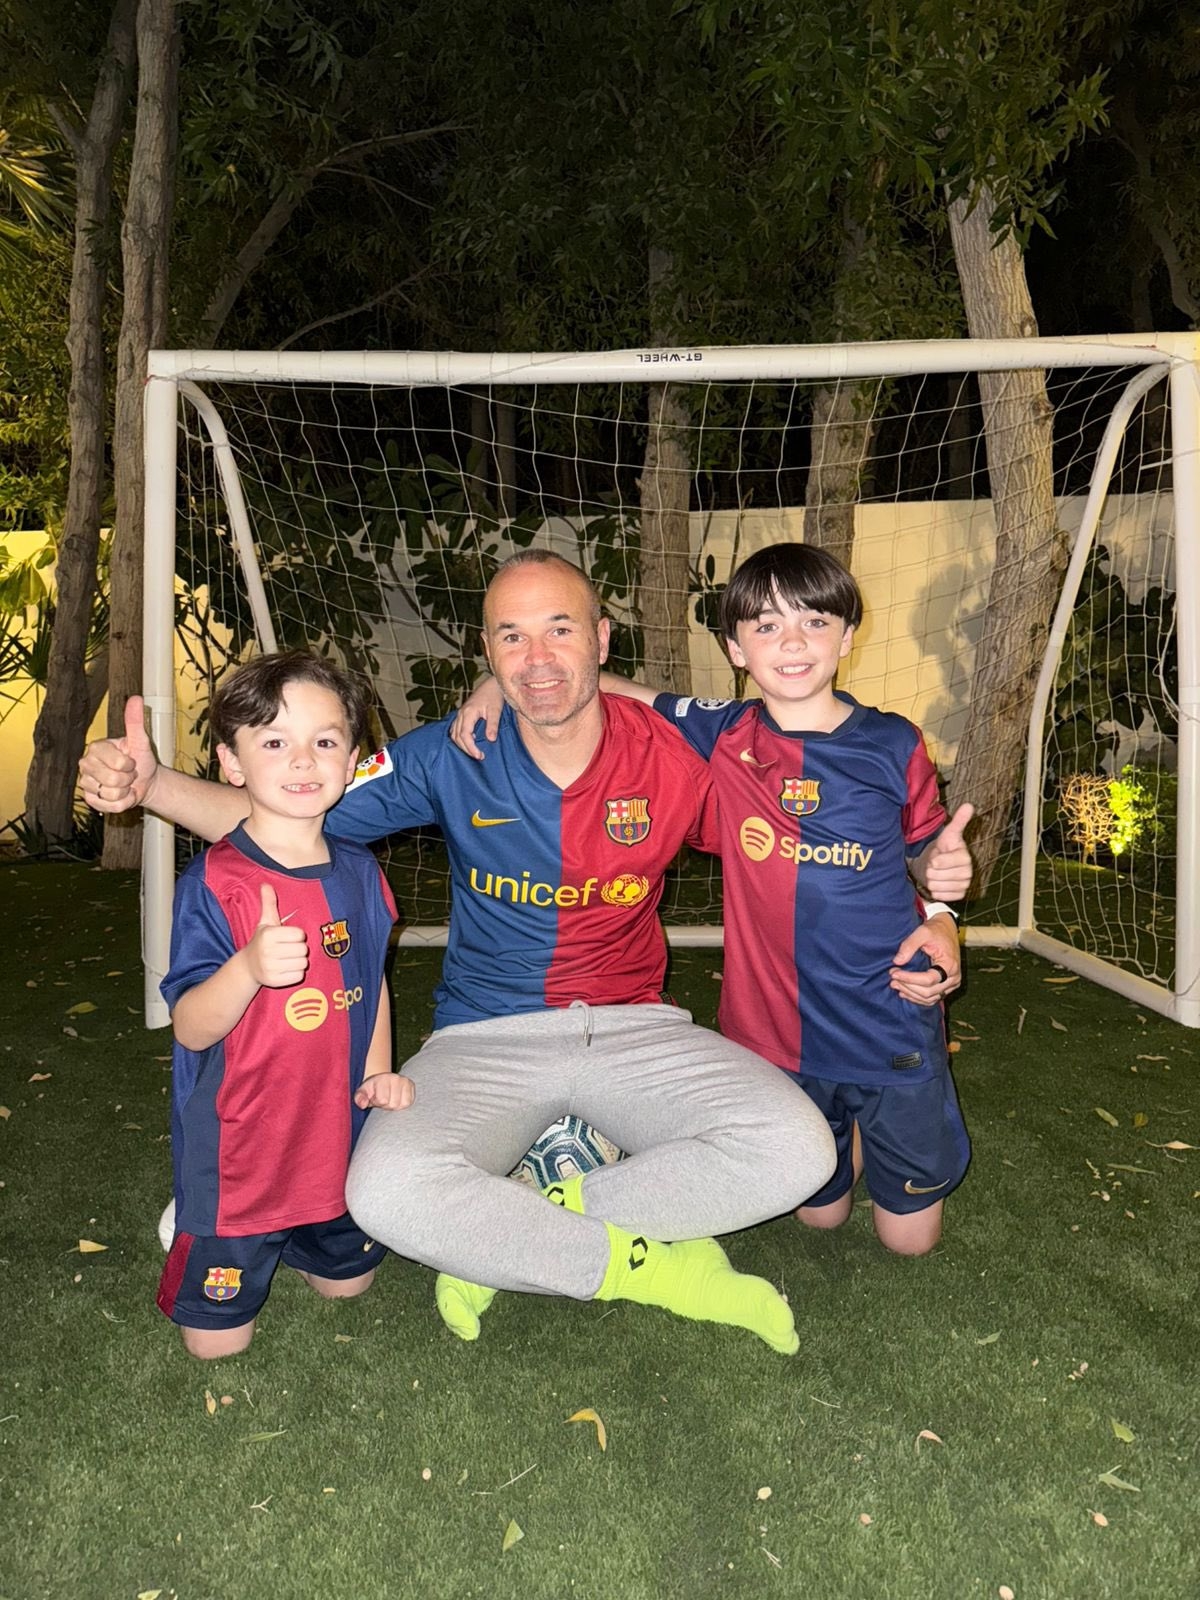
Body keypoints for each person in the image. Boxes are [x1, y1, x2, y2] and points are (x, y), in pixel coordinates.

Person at [79, 554, 947, 1353]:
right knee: (382, 1191)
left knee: (800, 1150)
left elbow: (835, 829)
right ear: (487, 654)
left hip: (638, 1027)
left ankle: (516, 1221)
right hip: (484, 1036)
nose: (537, 658)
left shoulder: (680, 754)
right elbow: (282, 814)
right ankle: (638, 1265)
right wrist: (152, 785)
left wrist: (937, 911)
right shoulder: (454, 751)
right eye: (511, 637)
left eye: (560, 629)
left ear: (601, 641)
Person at [453, 543, 973, 1256]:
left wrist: (944, 909)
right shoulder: (725, 732)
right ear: (735, 648)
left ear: (849, 636)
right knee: (818, 1215)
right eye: (766, 627)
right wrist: (494, 685)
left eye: (815, 623)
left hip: (887, 1014)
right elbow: (605, 686)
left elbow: (926, 848)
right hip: (775, 1028)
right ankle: (842, 1139)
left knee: (909, 1242)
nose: (792, 644)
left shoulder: (893, 742)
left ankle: (874, 1136)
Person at [154, 650, 414, 1359]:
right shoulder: (216, 881)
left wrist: (378, 1071)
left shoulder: (360, 871)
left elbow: (371, 978)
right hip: (242, 1152)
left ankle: (304, 1234)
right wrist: (247, 968)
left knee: (349, 1288)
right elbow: (190, 1026)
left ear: (352, 761)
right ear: (231, 763)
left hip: (334, 1139)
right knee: (216, 1347)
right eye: (274, 742)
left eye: (324, 741)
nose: (302, 760)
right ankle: (198, 1222)